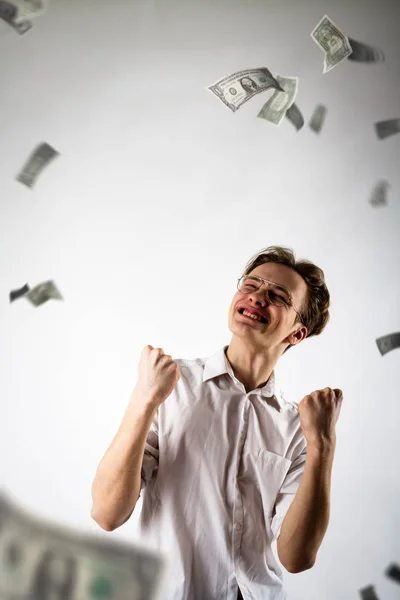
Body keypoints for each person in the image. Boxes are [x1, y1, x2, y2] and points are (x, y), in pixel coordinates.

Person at [91, 245, 343, 600]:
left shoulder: (298, 427)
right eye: (251, 285)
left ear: (297, 334)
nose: (257, 297)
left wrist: (323, 447)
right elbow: (106, 514)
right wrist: (143, 400)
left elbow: (296, 557)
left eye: (277, 296)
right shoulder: (169, 386)